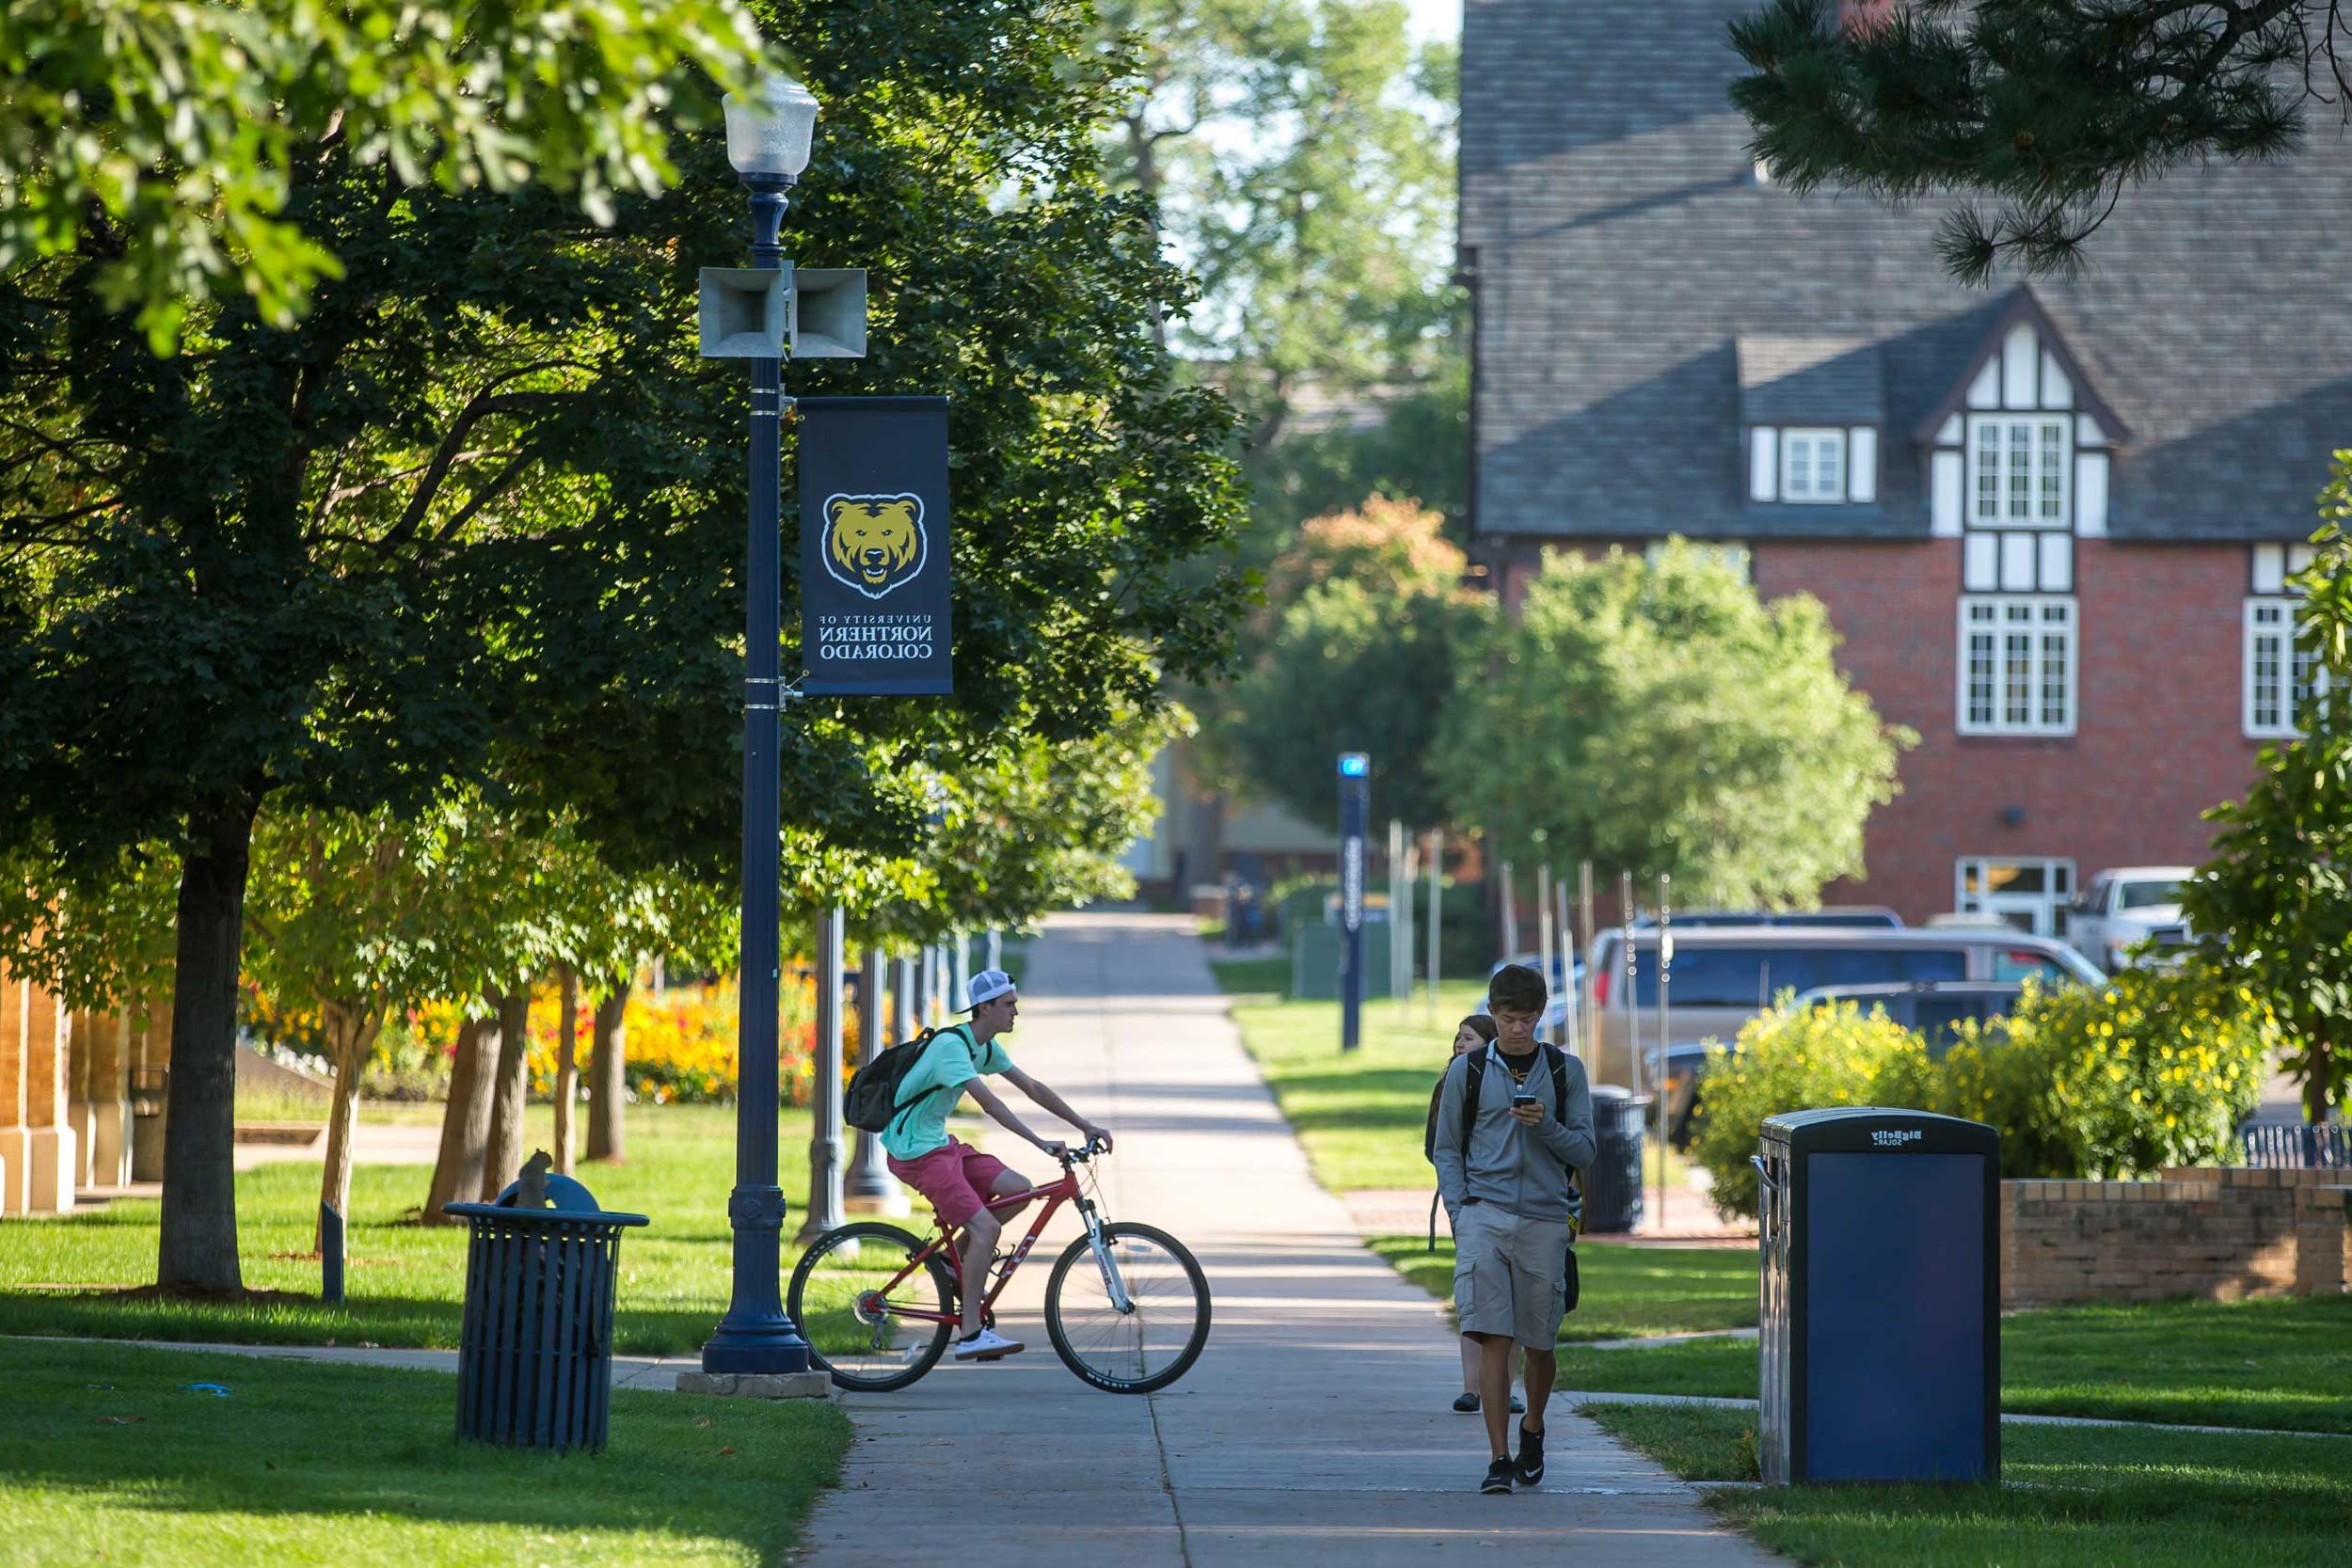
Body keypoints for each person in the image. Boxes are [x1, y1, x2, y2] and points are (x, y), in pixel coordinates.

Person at [881, 967, 1113, 1362]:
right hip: (916, 1153)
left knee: (1018, 1189)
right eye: (1008, 1005)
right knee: (985, 1228)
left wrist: (1084, 1125)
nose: (1015, 1013)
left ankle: (952, 1264)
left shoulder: (984, 1046)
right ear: (984, 1007)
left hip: (940, 1145)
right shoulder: (951, 1046)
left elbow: (1033, 1088)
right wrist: (1040, 1142)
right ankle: (970, 1333)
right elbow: (990, 1104)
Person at [1432, 962, 1597, 1494]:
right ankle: (1498, 1457)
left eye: (1526, 1020)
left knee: (1540, 1343)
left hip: (1546, 1219)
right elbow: (1446, 1148)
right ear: (1493, 1013)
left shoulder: (1566, 1070)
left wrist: (1546, 1125)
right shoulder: (1470, 1071)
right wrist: (1461, 1211)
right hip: (1484, 1213)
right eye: (1506, 1019)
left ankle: (1533, 1427)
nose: (1516, 1030)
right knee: (1493, 1335)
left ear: (1540, 1016)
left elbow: (1586, 1150)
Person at [1431, 1013, 1522, 1416]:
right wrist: (1457, 1199)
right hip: (1468, 1203)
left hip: (1513, 1201)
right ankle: (1472, 1387)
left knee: (1512, 1300)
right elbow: (1436, 1144)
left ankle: (1506, 1385)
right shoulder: (1451, 1082)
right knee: (1473, 1298)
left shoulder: (1514, 1080)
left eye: (1467, 1038)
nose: (1458, 1044)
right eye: (1457, 1038)